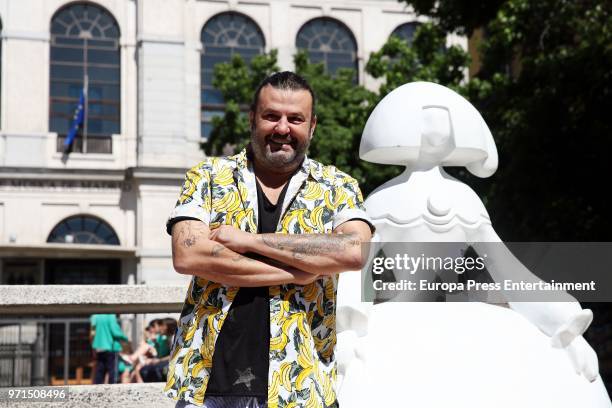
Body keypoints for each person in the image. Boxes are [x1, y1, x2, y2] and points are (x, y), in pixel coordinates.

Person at [164, 71, 373, 408]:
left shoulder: (338, 186)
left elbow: (354, 250)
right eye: (271, 116)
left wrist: (249, 241)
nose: (282, 128)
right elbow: (188, 254)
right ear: (252, 119)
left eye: (295, 118)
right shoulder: (208, 177)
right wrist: (298, 271)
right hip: (207, 384)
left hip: (304, 385)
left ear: (312, 126)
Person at [90, 313, 128, 384]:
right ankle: (113, 391)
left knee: (100, 372)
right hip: (110, 348)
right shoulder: (110, 315)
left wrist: (93, 347)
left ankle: (96, 391)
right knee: (113, 372)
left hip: (99, 348)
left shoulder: (95, 315)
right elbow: (115, 331)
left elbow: (92, 333)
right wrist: (125, 338)